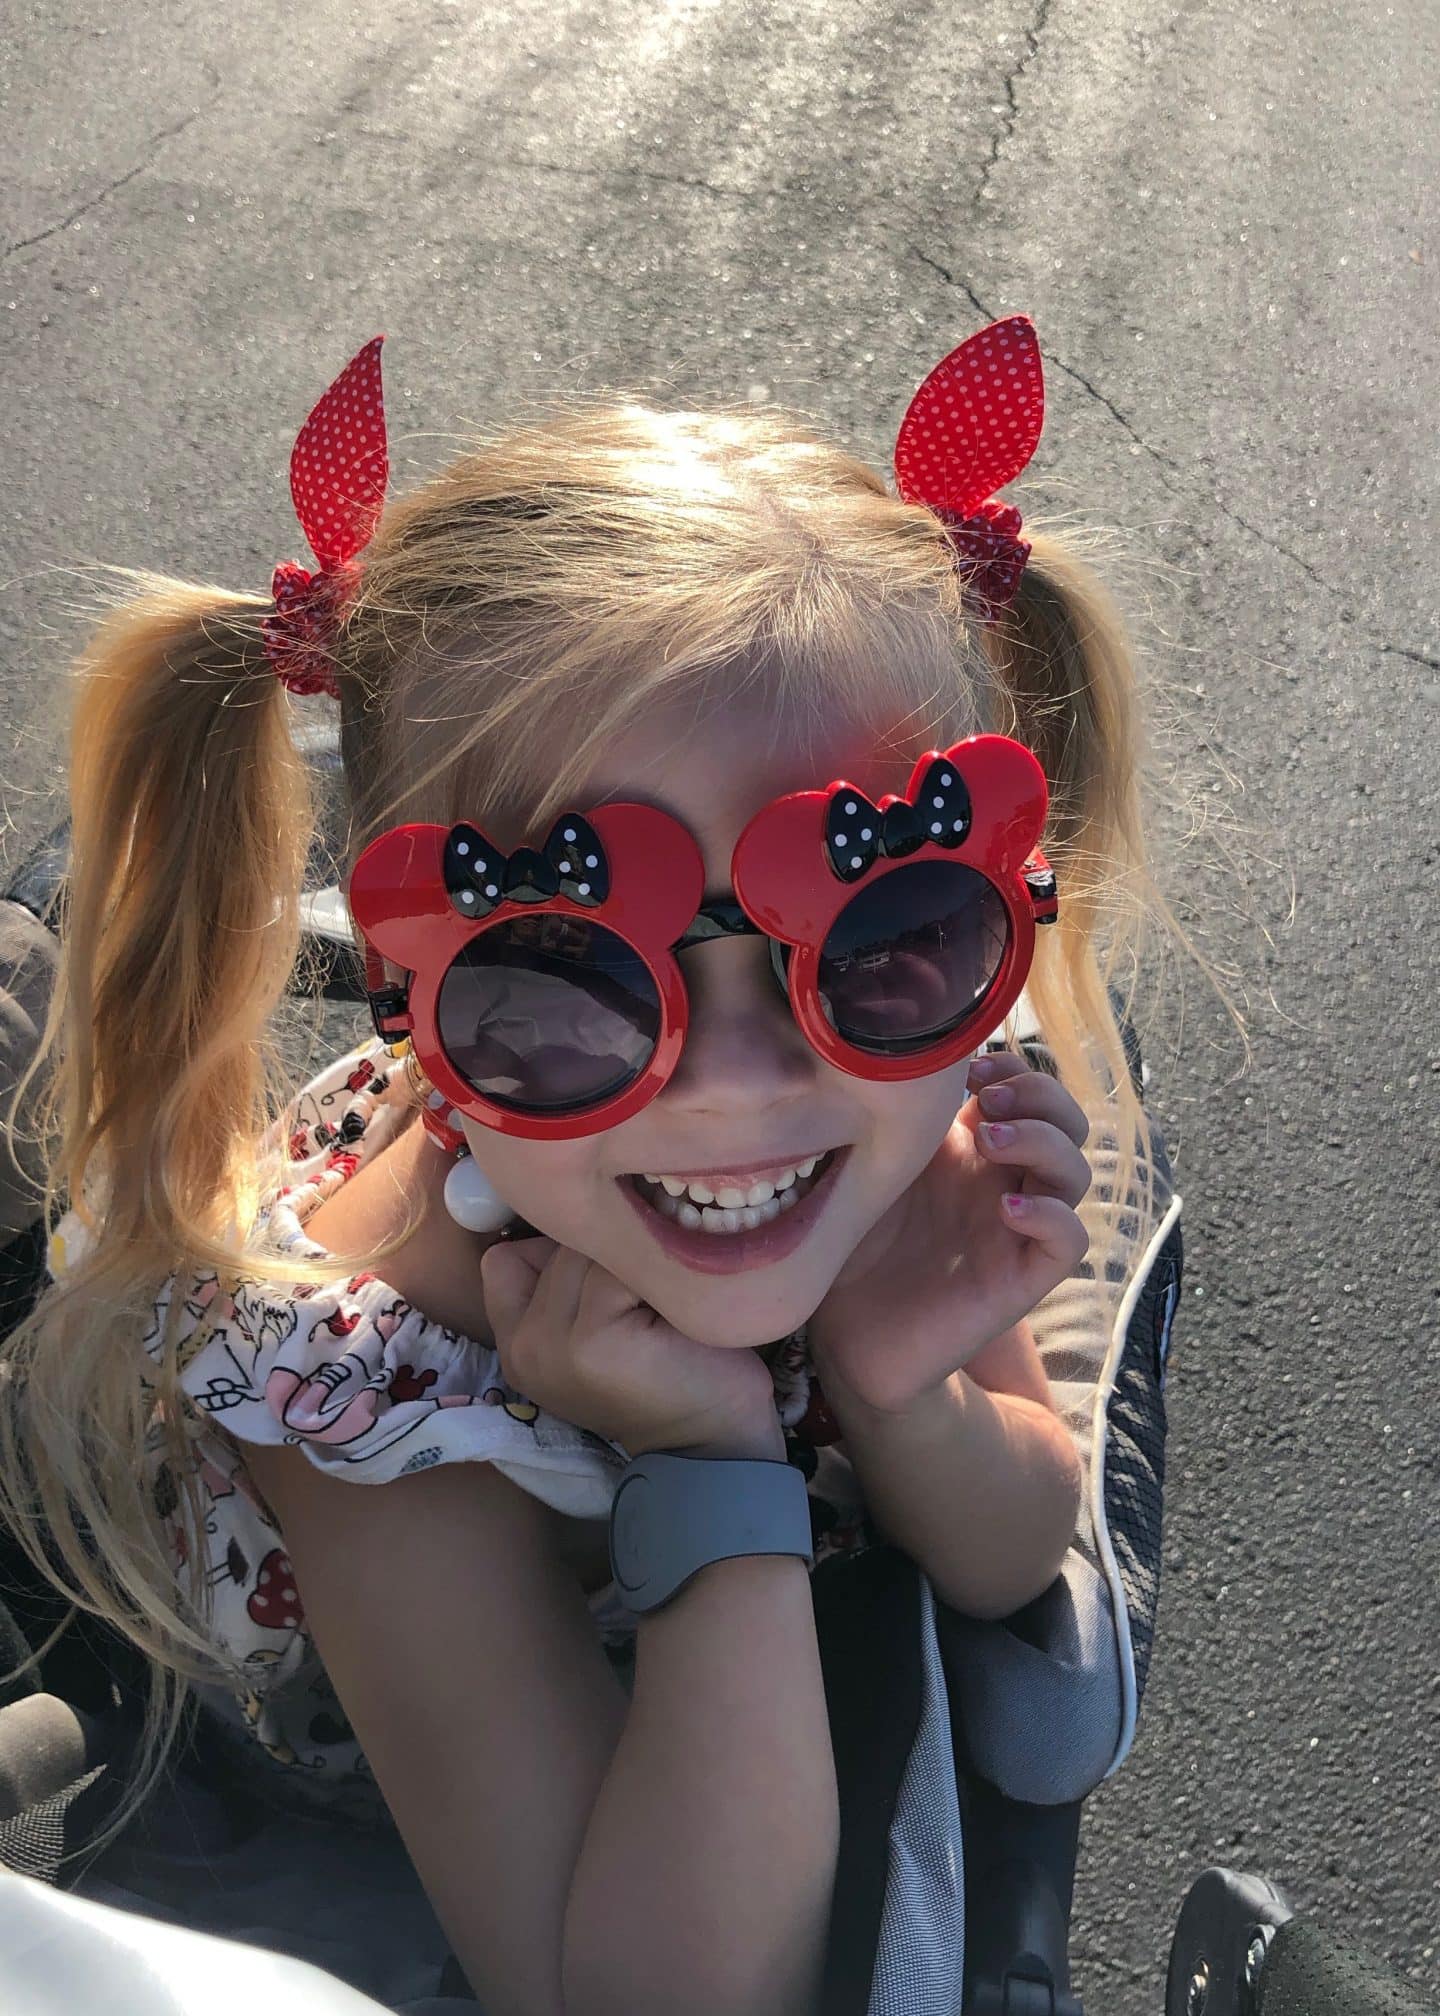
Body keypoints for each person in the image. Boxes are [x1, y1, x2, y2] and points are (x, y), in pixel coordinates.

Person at [0, 321, 1183, 2015]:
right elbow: (651, 1989)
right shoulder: (378, 1407)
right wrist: (712, 1462)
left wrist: (901, 1382)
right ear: (413, 1006)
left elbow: (1007, 1552)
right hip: (383, 1831)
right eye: (556, 981)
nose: (738, 1091)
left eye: (892, 934)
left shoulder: (889, 1105)